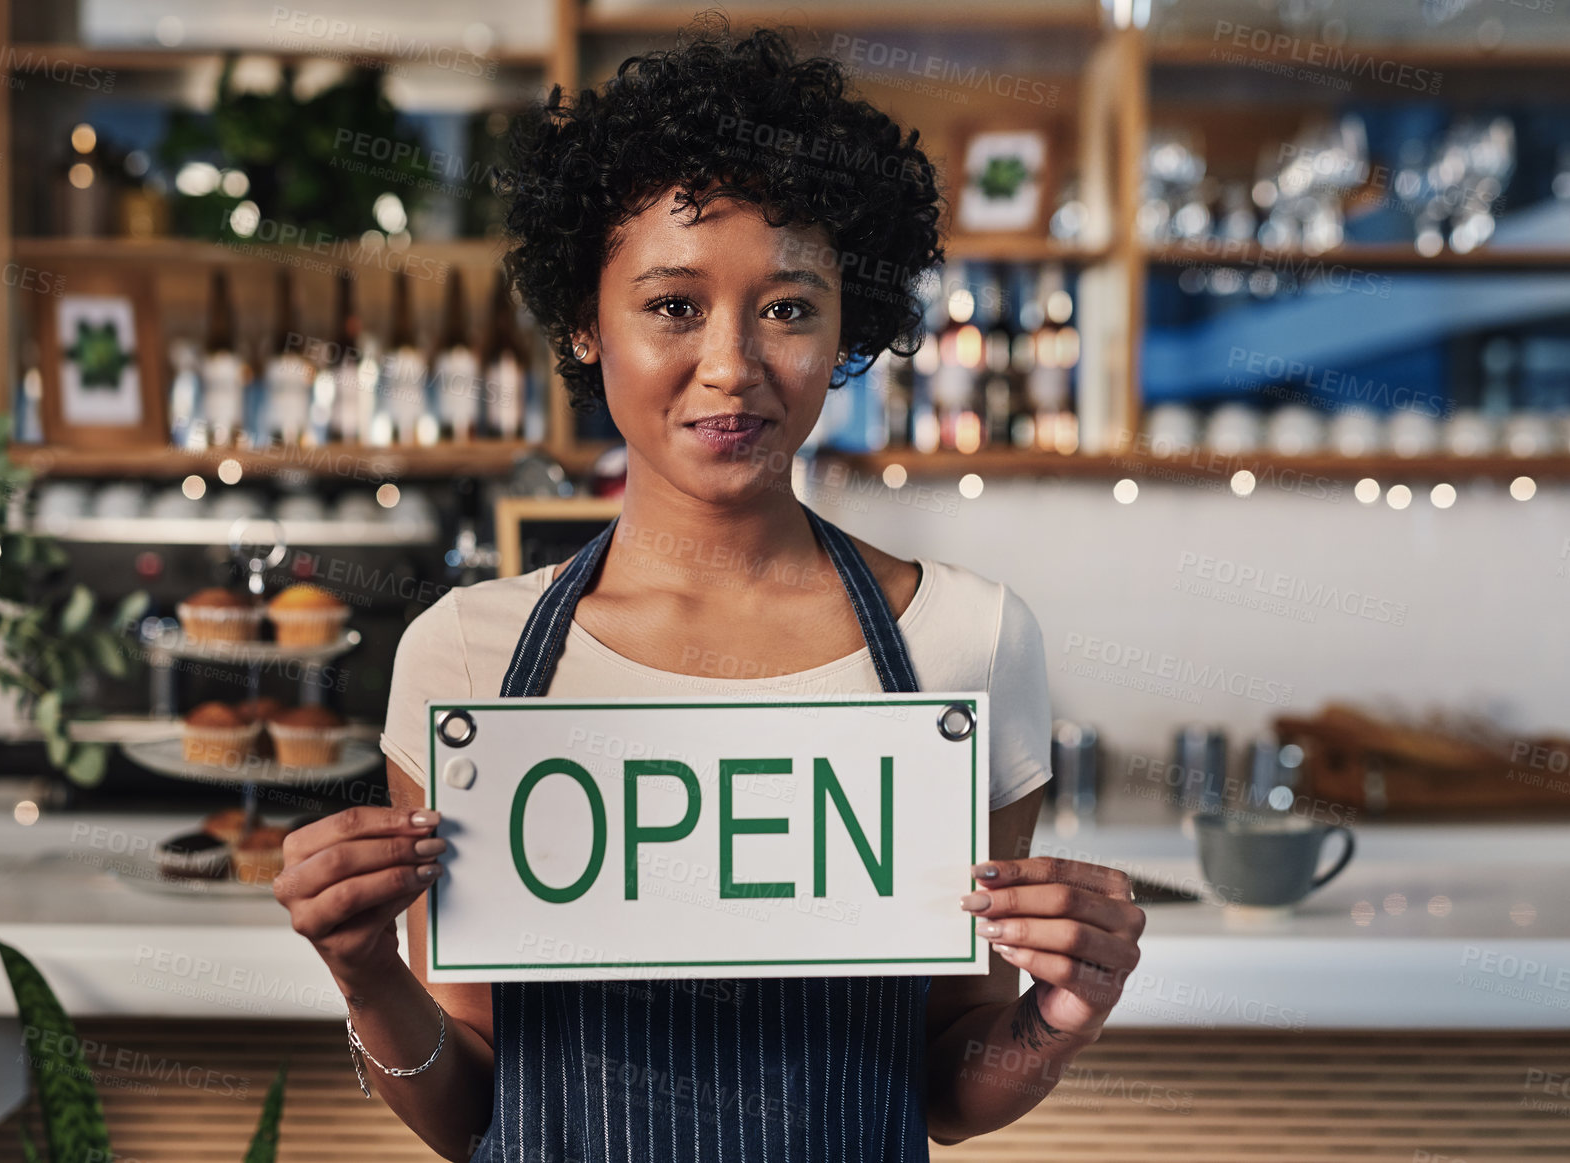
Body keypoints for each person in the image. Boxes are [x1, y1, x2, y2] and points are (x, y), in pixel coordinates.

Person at [274, 21, 1145, 1161]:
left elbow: (942, 1077)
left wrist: (1055, 1020)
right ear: (586, 321)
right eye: (673, 305)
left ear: (848, 324)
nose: (732, 365)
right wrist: (366, 972)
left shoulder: (966, 641)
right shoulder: (467, 656)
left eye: (788, 306)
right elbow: (472, 1098)